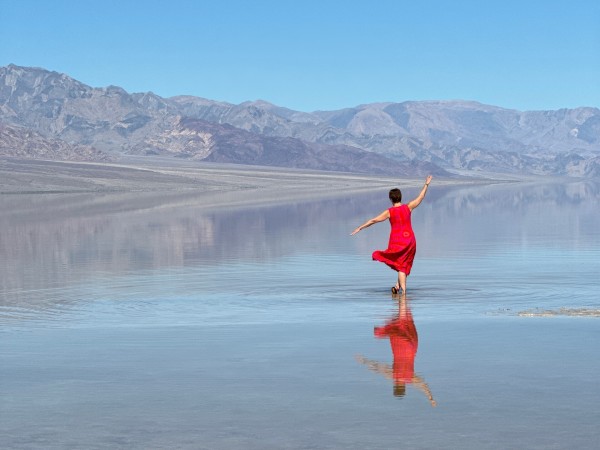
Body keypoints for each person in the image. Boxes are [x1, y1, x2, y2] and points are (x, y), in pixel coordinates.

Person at [351, 175, 432, 295]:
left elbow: (374, 220)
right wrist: (426, 184)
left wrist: (360, 227)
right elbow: (420, 197)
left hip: (397, 241)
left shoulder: (389, 212)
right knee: (403, 264)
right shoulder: (408, 207)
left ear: (391, 199)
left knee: (401, 266)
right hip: (410, 240)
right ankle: (397, 286)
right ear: (400, 197)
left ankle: (403, 293)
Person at [355, 294, 436, 406]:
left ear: (404, 387)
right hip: (399, 346)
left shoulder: (410, 378)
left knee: (405, 323)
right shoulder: (393, 375)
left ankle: (403, 299)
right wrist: (364, 361)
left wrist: (430, 397)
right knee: (398, 325)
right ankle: (402, 298)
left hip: (410, 346)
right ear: (395, 386)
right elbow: (378, 367)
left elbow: (422, 384)